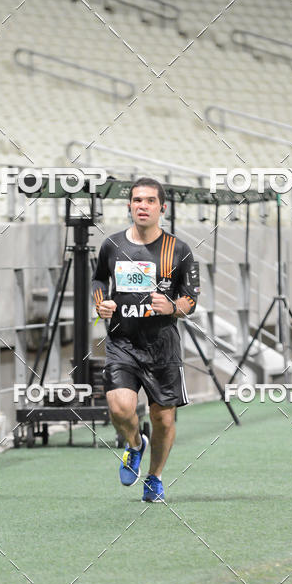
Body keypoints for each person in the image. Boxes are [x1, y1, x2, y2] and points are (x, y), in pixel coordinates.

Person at [91, 177, 200, 502]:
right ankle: (136, 444)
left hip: (162, 348)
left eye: (150, 200)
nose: (143, 206)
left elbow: (191, 298)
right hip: (122, 344)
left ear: (161, 208)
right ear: (129, 206)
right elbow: (99, 279)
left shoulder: (179, 250)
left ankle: (154, 477)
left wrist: (173, 307)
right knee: (120, 408)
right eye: (137, 200)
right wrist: (101, 303)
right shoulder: (111, 245)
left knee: (163, 419)